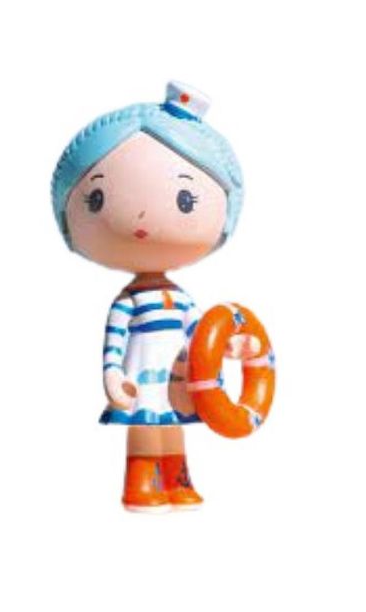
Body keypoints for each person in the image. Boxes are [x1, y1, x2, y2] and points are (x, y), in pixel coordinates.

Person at [51, 81, 252, 512]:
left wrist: (229, 348)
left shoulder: (183, 301)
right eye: (97, 198)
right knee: (144, 428)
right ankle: (141, 481)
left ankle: (177, 480)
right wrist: (111, 375)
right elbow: (114, 340)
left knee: (173, 423)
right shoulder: (128, 301)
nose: (141, 218)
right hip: (140, 374)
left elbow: (202, 337)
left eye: (186, 199)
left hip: (177, 378)